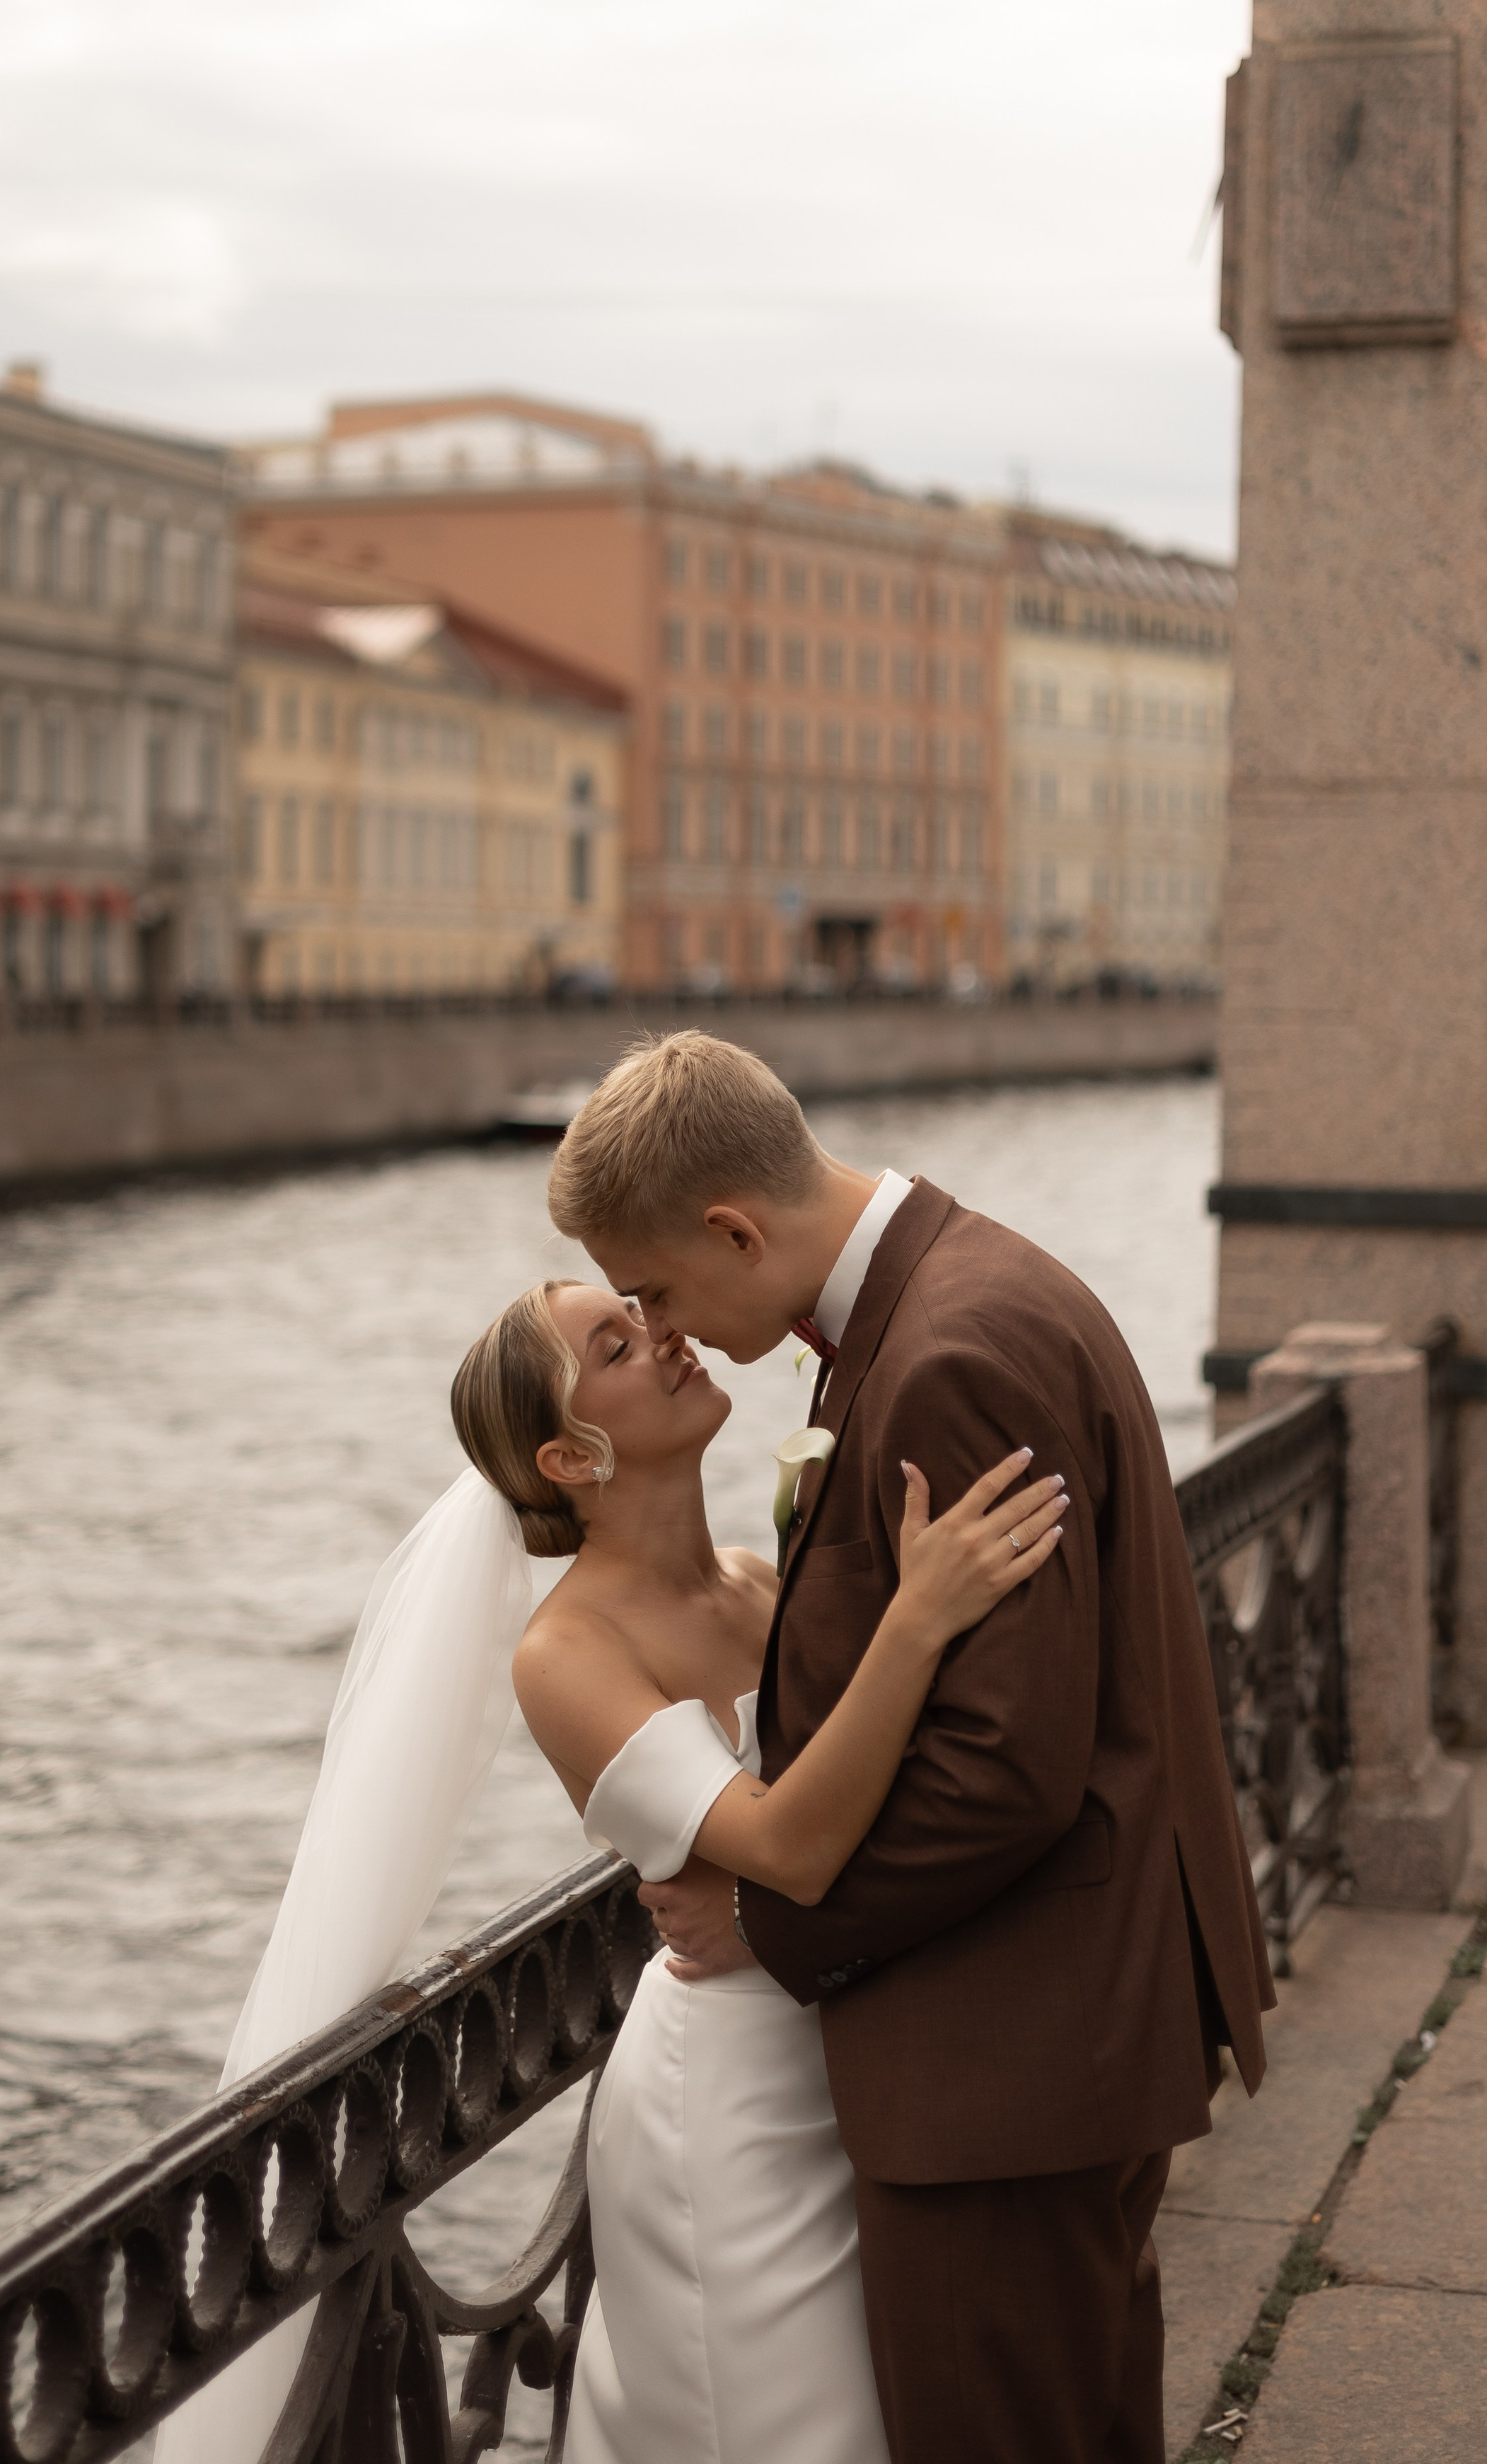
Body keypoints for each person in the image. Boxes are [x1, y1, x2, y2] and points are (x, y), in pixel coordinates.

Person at [544, 1030, 1275, 2464]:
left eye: (652, 1287)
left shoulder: (944, 1353)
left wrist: (762, 1917)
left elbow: (1002, 1770)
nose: (664, 1322)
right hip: (1060, 2021)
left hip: (1006, 2055)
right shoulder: (962, 1290)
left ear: (733, 1230)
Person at [452, 1280, 1065, 2464]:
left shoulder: (753, 1574)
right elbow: (790, 1840)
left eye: (642, 1310)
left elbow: (882, 1780)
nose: (666, 1334)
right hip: (724, 2105)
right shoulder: (567, 1652)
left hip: (850, 2047)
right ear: (567, 1458)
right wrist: (918, 1616)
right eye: (617, 1346)